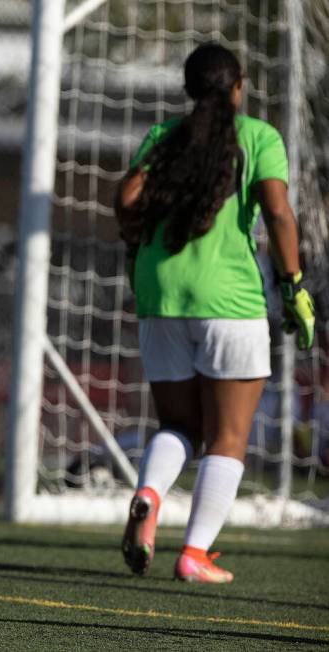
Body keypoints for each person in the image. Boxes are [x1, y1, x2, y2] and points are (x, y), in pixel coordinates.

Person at [115, 43, 315, 583]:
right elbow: (276, 211)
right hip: (230, 301)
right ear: (238, 87)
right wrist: (293, 284)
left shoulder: (162, 137)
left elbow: (127, 205)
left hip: (160, 293)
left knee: (178, 424)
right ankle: (194, 553)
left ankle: (150, 493)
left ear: (187, 89)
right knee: (227, 436)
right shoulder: (257, 137)